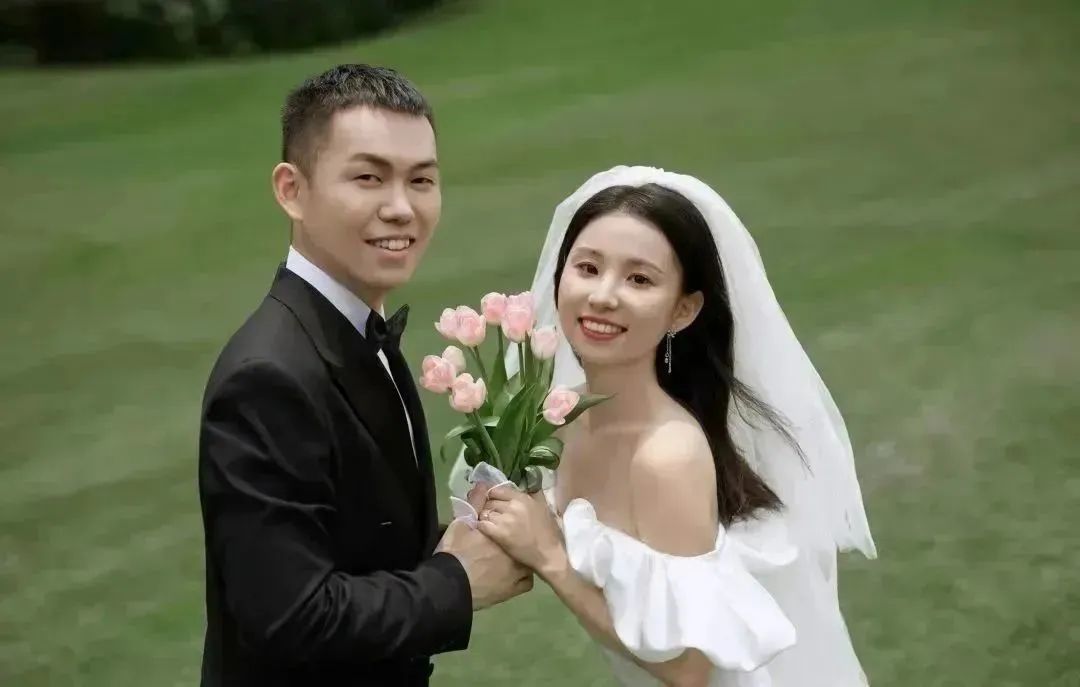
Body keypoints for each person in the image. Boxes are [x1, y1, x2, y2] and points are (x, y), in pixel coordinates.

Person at [468, 166, 877, 686]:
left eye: (639, 279)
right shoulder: (560, 418)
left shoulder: (668, 456)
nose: (603, 296)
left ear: (683, 311)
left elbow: (688, 667)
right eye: (588, 268)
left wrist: (549, 556)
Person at [197, 64, 531, 687]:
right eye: (368, 178)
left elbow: (358, 543)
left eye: (421, 180)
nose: (401, 208)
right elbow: (290, 619)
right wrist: (456, 582)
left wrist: (489, 532)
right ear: (292, 190)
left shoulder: (355, 330)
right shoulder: (267, 377)